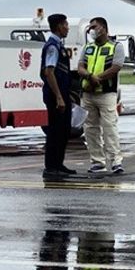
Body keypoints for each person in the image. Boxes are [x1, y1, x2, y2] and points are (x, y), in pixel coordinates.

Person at [77, 17, 126, 175]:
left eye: (94, 27)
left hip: (106, 93)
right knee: (90, 129)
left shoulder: (115, 47)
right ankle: (97, 161)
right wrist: (90, 76)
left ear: (103, 28)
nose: (91, 30)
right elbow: (80, 66)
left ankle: (115, 161)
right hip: (88, 94)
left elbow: (116, 66)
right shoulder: (88, 47)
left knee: (109, 127)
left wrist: (98, 79)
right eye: (90, 27)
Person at [41, 13, 76, 178]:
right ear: (59, 26)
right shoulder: (53, 47)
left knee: (64, 130)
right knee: (55, 131)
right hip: (56, 95)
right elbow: (49, 72)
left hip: (62, 93)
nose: (67, 28)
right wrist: (59, 97)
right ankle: (50, 167)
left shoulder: (59, 45)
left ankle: (58, 164)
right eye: (66, 24)